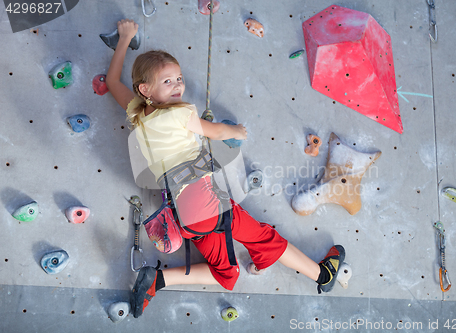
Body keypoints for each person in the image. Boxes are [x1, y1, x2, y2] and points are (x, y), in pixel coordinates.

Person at [106, 19, 346, 318]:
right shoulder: (182, 113)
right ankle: (323, 275)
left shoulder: (138, 113)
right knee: (264, 239)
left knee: (227, 275)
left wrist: (125, 38)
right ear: (146, 88)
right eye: (168, 81)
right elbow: (215, 132)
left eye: (178, 78)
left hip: (187, 215)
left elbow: (112, 81)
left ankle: (159, 280)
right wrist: (237, 132)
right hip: (208, 209)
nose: (178, 84)